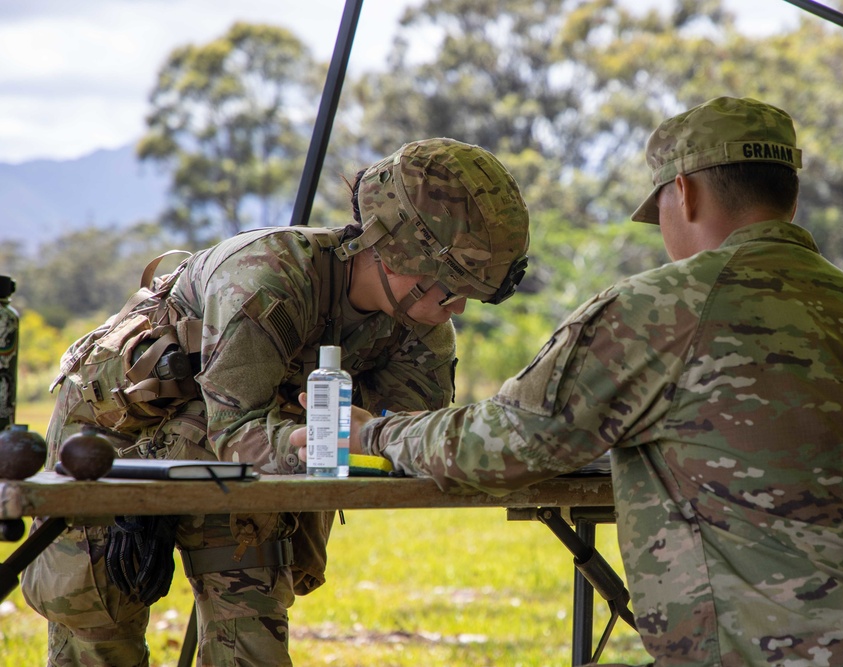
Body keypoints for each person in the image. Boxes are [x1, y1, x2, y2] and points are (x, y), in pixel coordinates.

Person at [338, 98, 843, 665]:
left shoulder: (661, 309)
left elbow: (509, 440)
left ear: (681, 191)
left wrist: (381, 431)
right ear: (788, 196)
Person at [22, 137, 530, 666]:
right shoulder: (267, 280)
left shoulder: (421, 322)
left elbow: (408, 437)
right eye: (446, 288)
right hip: (113, 433)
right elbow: (234, 431)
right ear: (392, 249)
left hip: (236, 455)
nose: (457, 309)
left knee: (250, 640)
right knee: (99, 628)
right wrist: (307, 440)